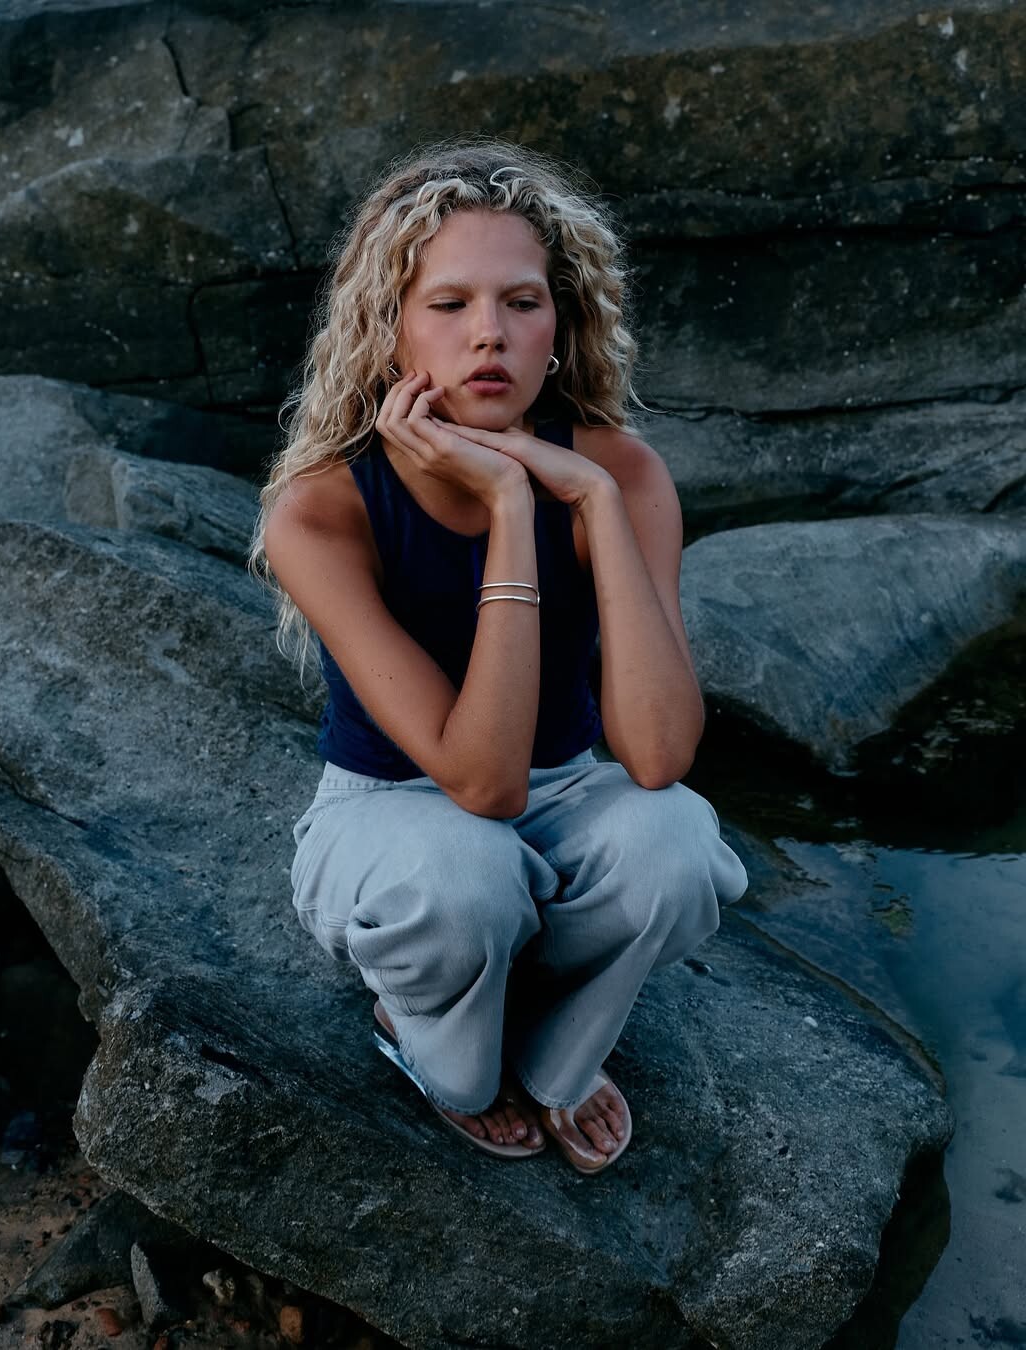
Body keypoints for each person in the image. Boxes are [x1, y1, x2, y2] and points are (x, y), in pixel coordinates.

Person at [250, 140, 747, 1174]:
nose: (490, 334)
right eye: (449, 304)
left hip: (566, 790)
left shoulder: (619, 472)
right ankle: (431, 1040)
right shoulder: (321, 509)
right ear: (390, 328)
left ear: (559, 327)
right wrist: (512, 508)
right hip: (394, 818)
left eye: (522, 302)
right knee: (465, 875)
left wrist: (593, 499)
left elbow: (657, 755)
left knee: (680, 845)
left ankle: (562, 1061)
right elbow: (480, 783)